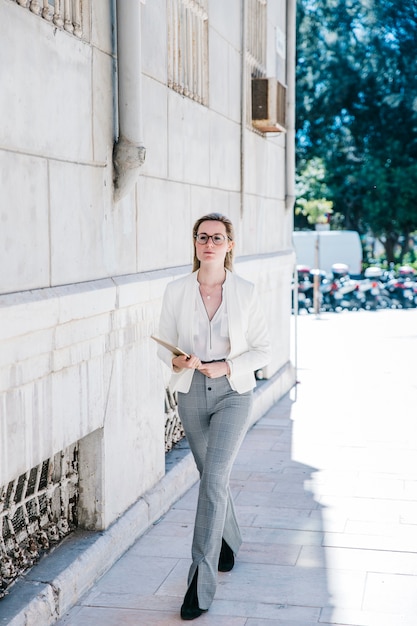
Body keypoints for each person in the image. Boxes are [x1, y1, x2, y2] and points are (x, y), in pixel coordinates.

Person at [157, 213, 271, 620]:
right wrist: (176, 361)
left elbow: (263, 349)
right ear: (194, 243)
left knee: (213, 481)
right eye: (202, 237)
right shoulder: (176, 290)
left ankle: (200, 584)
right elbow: (163, 348)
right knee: (213, 478)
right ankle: (229, 539)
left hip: (233, 393)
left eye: (217, 237)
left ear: (229, 245)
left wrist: (225, 366)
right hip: (190, 393)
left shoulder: (246, 291)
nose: (209, 243)